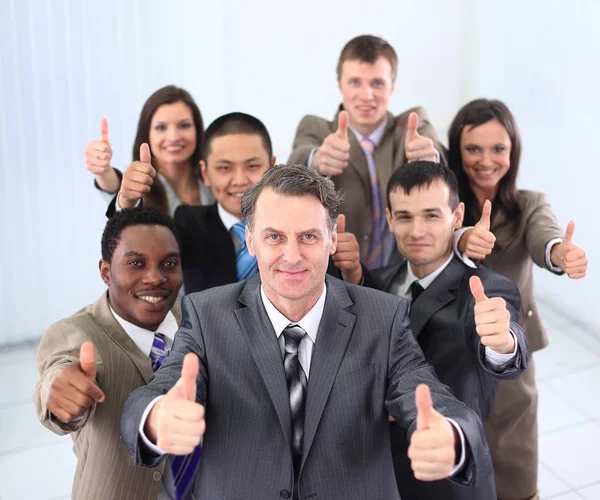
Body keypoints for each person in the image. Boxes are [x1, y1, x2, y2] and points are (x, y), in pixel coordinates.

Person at [121, 164, 491, 499]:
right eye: (274, 237)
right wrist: (156, 418)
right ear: (250, 241)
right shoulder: (206, 314)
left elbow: (430, 396)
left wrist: (451, 436)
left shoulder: (384, 315)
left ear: (332, 239)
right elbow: (157, 392)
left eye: (309, 237)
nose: (292, 256)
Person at [448, 99, 588, 500]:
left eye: (498, 149)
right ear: (458, 150)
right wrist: (461, 237)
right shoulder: (447, 201)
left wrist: (561, 253)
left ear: (514, 151)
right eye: (473, 149)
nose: (486, 160)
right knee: (459, 454)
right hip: (451, 344)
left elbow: (546, 236)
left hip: (511, 347)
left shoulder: (529, 203)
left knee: (513, 453)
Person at [373, 161, 529, 499]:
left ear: (457, 217)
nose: (417, 231)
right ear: (388, 219)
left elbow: (506, 355)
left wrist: (503, 342)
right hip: (379, 472)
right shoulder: (378, 281)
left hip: (449, 474)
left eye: (431, 215)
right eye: (404, 216)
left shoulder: (488, 289)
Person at [33, 208, 199, 500]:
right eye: (136, 263)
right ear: (106, 271)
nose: (155, 278)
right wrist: (57, 394)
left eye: (169, 263)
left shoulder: (199, 321)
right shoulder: (74, 332)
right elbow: (56, 375)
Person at [289, 35, 447, 268]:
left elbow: (439, 156)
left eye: (377, 83)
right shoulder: (316, 127)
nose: (366, 95)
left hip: (402, 273)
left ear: (392, 85)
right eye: (355, 82)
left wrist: (432, 160)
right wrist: (317, 159)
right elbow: (296, 161)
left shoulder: (411, 125)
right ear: (339, 84)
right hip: (337, 274)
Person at [173, 112, 369, 293]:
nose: (240, 179)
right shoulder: (187, 224)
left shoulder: (310, 224)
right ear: (205, 173)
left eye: (252, 166)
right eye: (225, 168)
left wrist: (353, 273)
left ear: (271, 165)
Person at [85, 85, 213, 215]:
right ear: (147, 134)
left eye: (184, 125)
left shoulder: (212, 178)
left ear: (197, 130)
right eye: (161, 127)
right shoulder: (139, 185)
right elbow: (120, 192)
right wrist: (104, 171)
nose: (173, 137)